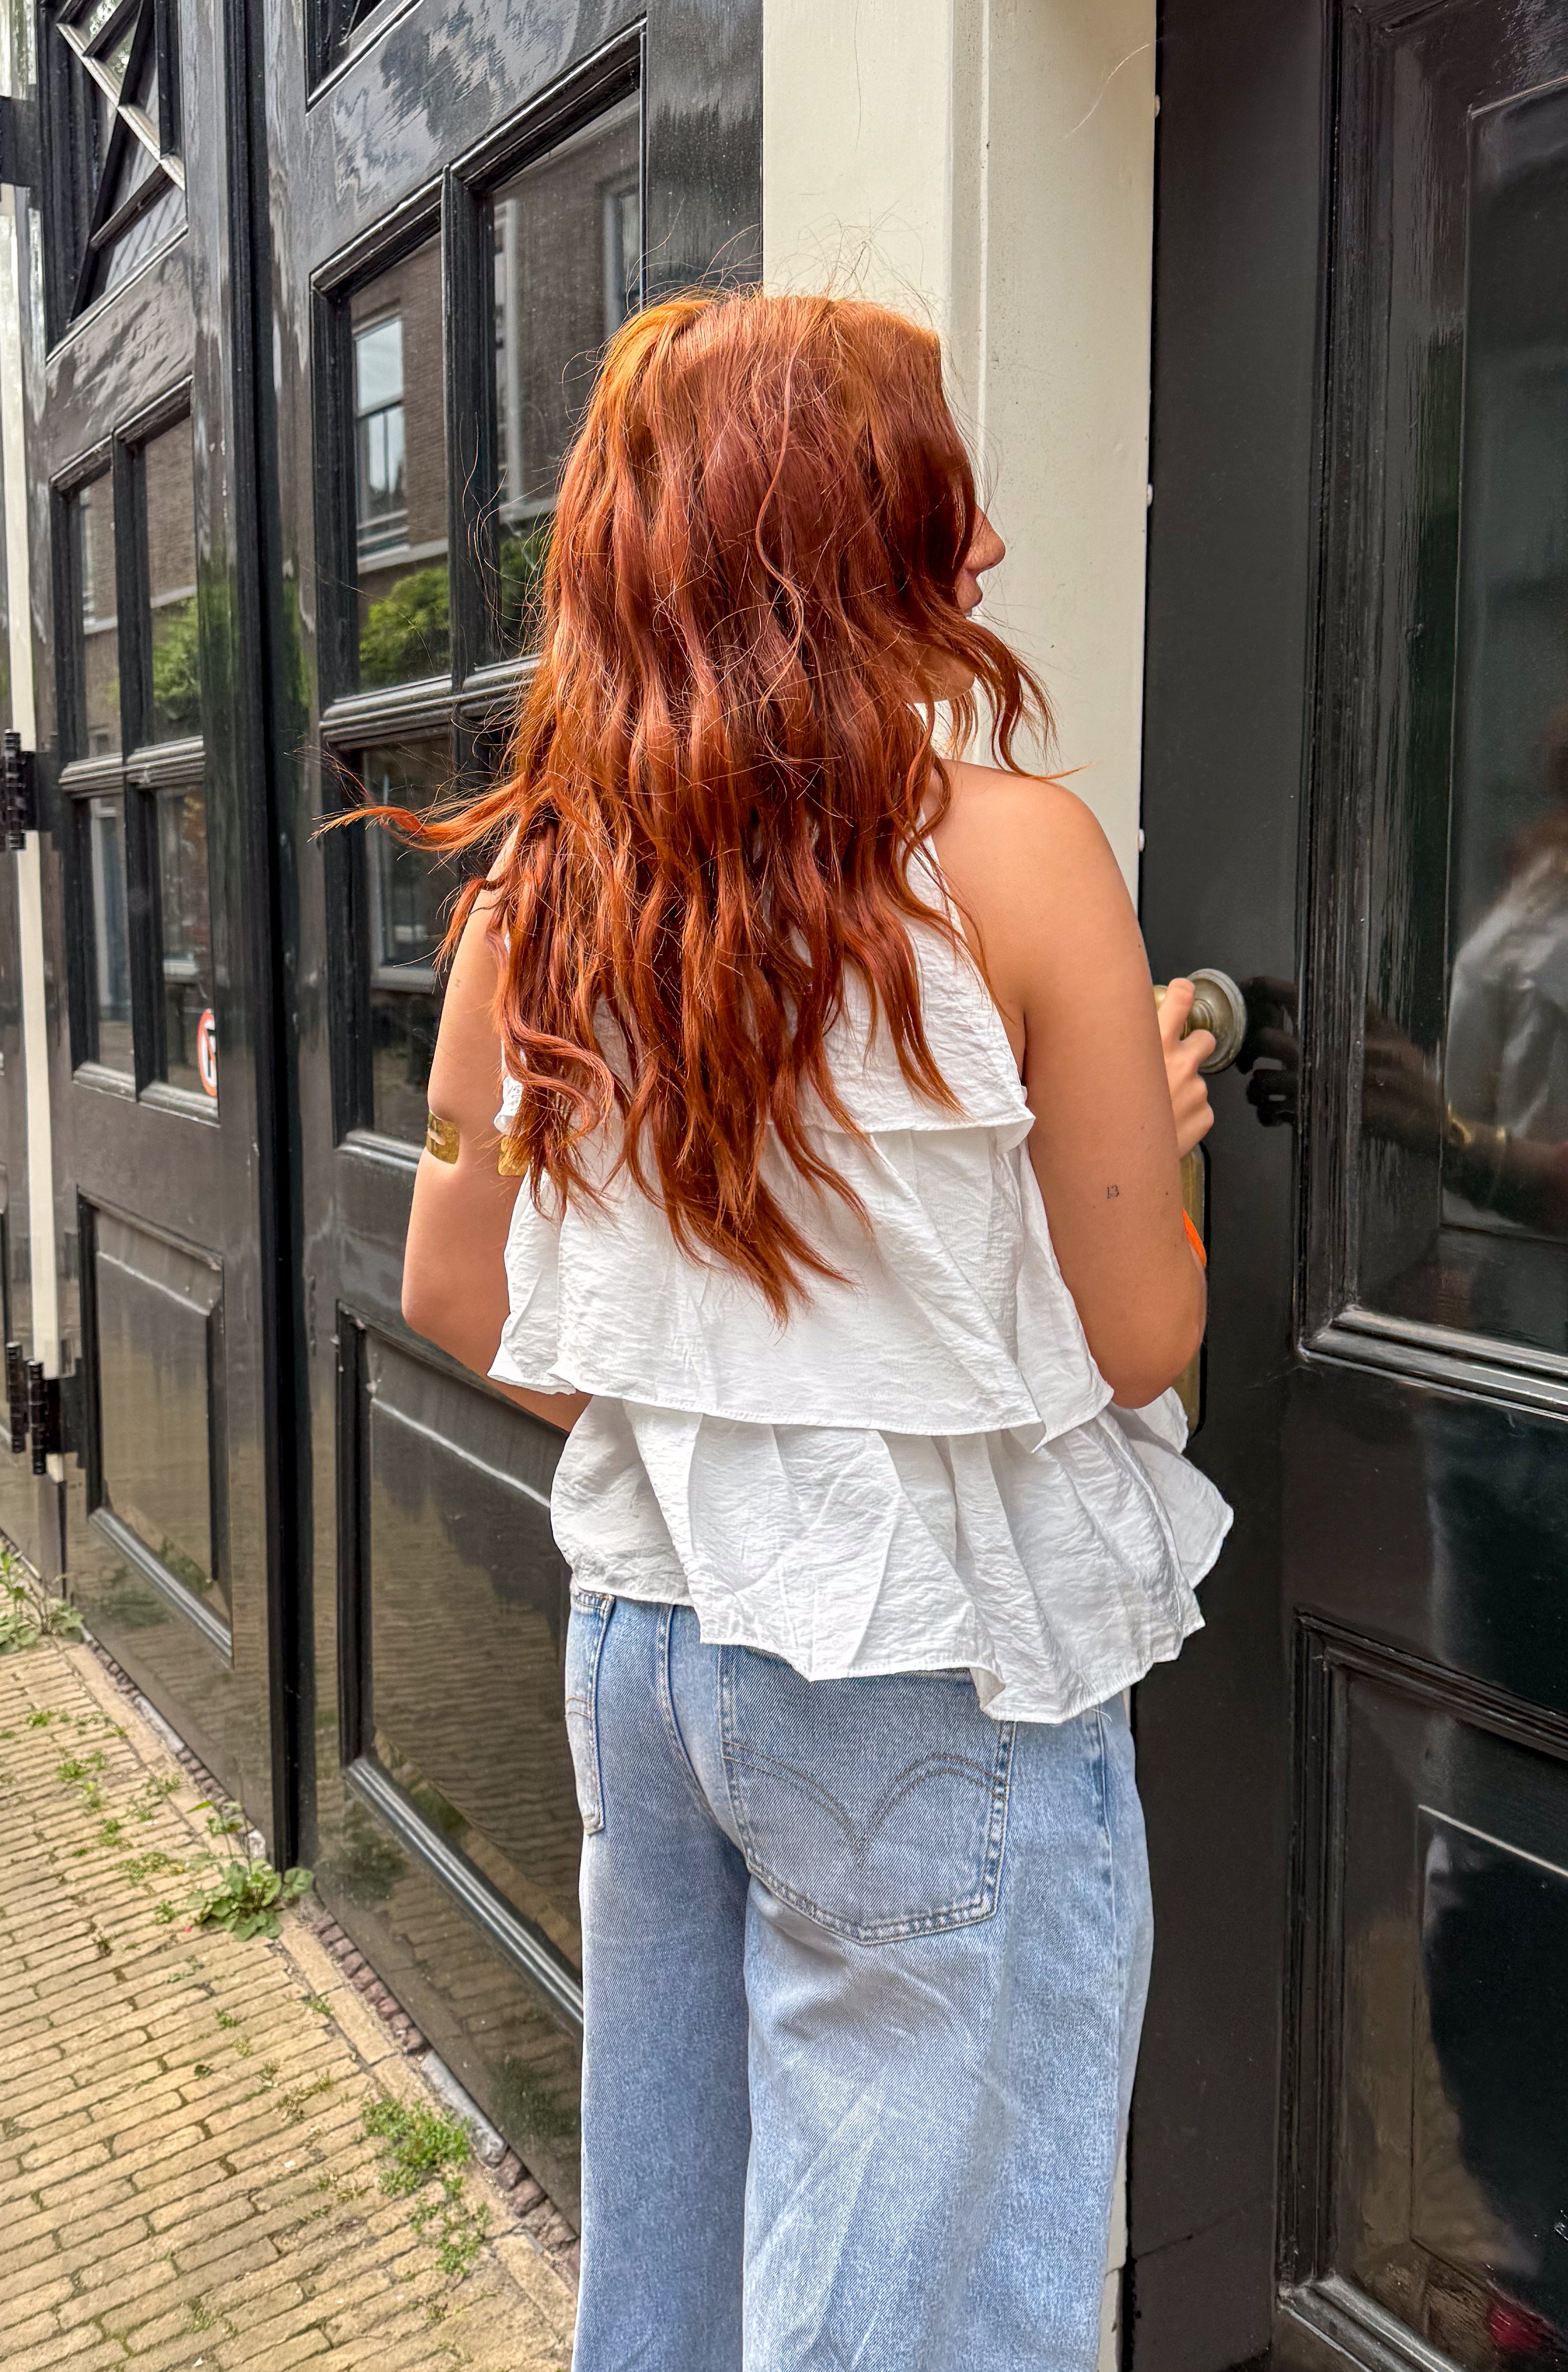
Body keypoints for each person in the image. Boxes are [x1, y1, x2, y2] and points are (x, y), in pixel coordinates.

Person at [382, 290, 1230, 2372]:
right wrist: (1154, 1125)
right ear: (845, 535)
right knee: (917, 2307)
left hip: (652, 1642)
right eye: (947, 494)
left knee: (668, 2257)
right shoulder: (1019, 860)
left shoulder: (535, 904)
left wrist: (731, 1407)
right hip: (925, 1656)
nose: (993, 550)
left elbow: (455, 1287)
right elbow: (1135, 1335)